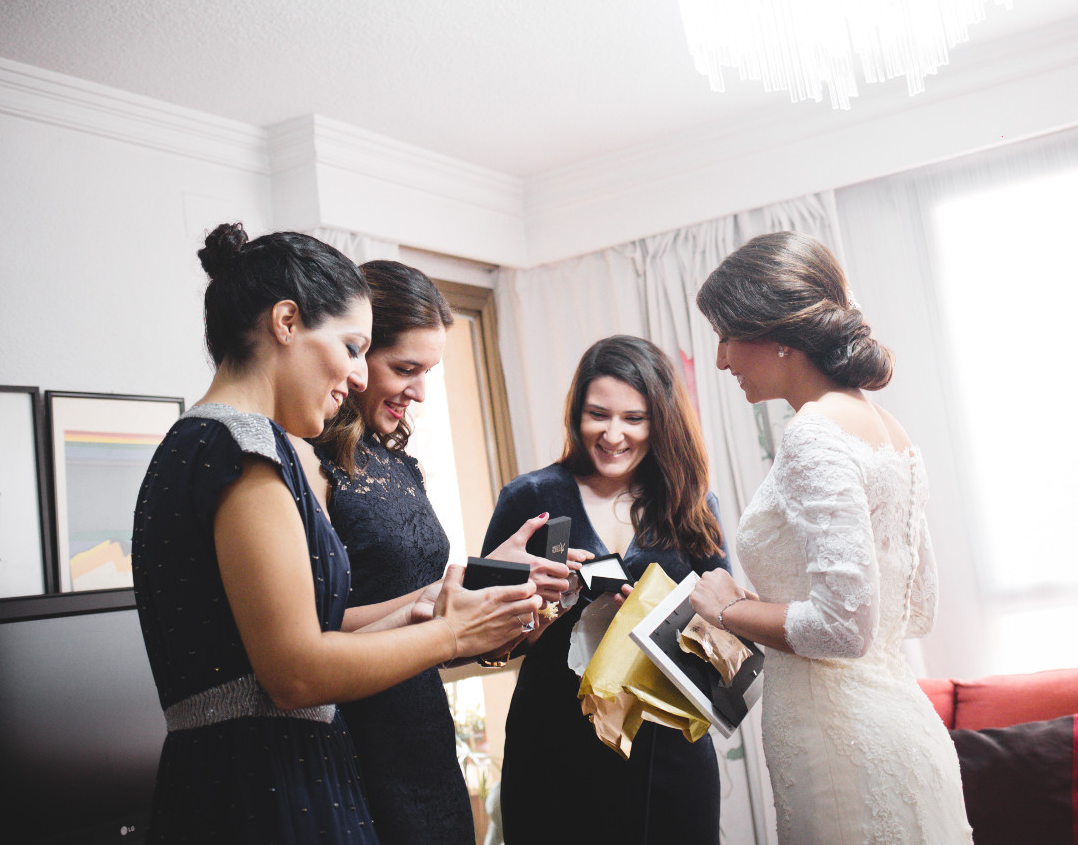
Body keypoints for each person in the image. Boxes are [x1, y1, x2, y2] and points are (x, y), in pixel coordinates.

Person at [131, 225, 540, 844]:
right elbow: (295, 673)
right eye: (352, 347)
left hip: (231, 775)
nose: (357, 376)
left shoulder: (196, 443)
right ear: (286, 322)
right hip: (266, 789)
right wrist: (451, 633)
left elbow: (281, 653)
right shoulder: (243, 450)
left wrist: (436, 604)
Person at [689, 231, 972, 845]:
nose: (721, 361)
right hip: (900, 723)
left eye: (727, 336)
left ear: (780, 334)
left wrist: (728, 611)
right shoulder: (888, 428)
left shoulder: (814, 433)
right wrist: (769, 607)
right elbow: (915, 609)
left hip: (843, 747)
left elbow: (844, 628)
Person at [304, 260, 573, 845]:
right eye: (405, 369)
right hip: (351, 743)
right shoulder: (309, 464)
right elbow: (310, 633)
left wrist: (493, 582)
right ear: (356, 354)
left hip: (423, 738)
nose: (420, 392)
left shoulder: (400, 465)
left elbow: (430, 630)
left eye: (427, 372)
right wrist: (445, 602)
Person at [482, 335, 728, 845]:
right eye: (598, 414)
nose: (613, 435)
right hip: (554, 745)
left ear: (660, 421)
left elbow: (724, 628)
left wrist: (657, 615)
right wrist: (541, 608)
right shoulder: (531, 498)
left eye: (633, 418)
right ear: (577, 414)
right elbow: (484, 638)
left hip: (666, 752)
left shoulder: (691, 504)